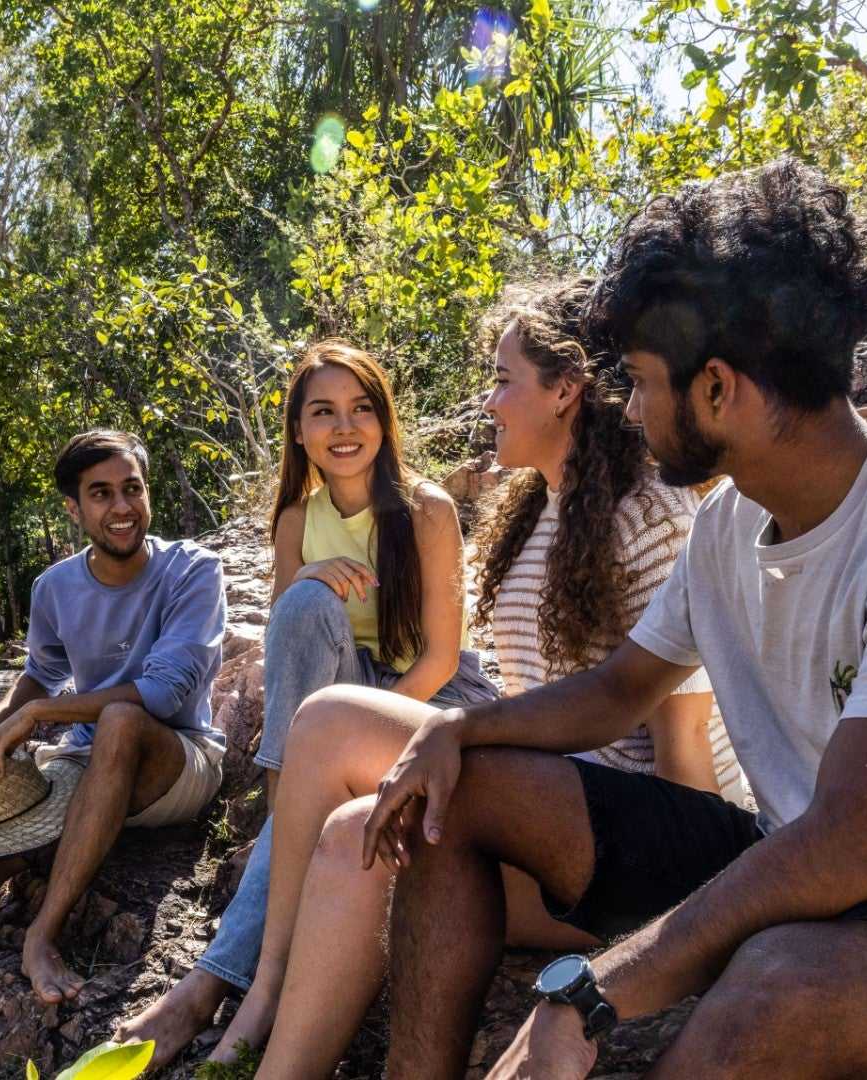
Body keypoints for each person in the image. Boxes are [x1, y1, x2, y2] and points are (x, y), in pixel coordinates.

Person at [364, 160, 867, 1080]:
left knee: (781, 977)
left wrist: (589, 993)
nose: (634, 409)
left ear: (718, 389)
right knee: (467, 789)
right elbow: (617, 692)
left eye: (644, 383)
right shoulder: (730, 520)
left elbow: (846, 850)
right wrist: (457, 729)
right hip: (801, 880)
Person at [179, 279, 747, 1077]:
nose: (488, 401)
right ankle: (268, 1065)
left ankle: (260, 987)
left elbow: (686, 745)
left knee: (329, 721)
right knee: (354, 837)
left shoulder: (646, 513)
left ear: (565, 389)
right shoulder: (533, 513)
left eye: (503, 379)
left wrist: (696, 932)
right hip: (548, 821)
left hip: (647, 851)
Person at [114, 341, 497, 1064]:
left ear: (384, 423)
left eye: (361, 409)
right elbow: (296, 648)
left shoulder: (427, 509)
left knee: (311, 768)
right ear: (298, 431)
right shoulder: (296, 519)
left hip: (433, 700)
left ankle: (230, 987)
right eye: (323, 411)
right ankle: (249, 977)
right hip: (330, 708)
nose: (343, 427)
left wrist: (354, 738)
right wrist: (312, 577)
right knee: (298, 608)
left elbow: (443, 658)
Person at [0, 430, 227, 1080]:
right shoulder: (54, 588)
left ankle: (39, 938)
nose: (121, 507)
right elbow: (39, 675)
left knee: (124, 720)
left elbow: (160, 694)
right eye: (101, 494)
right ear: (74, 509)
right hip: (86, 766)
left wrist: (39, 717)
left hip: (177, 764)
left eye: (132, 488)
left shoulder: (193, 571)